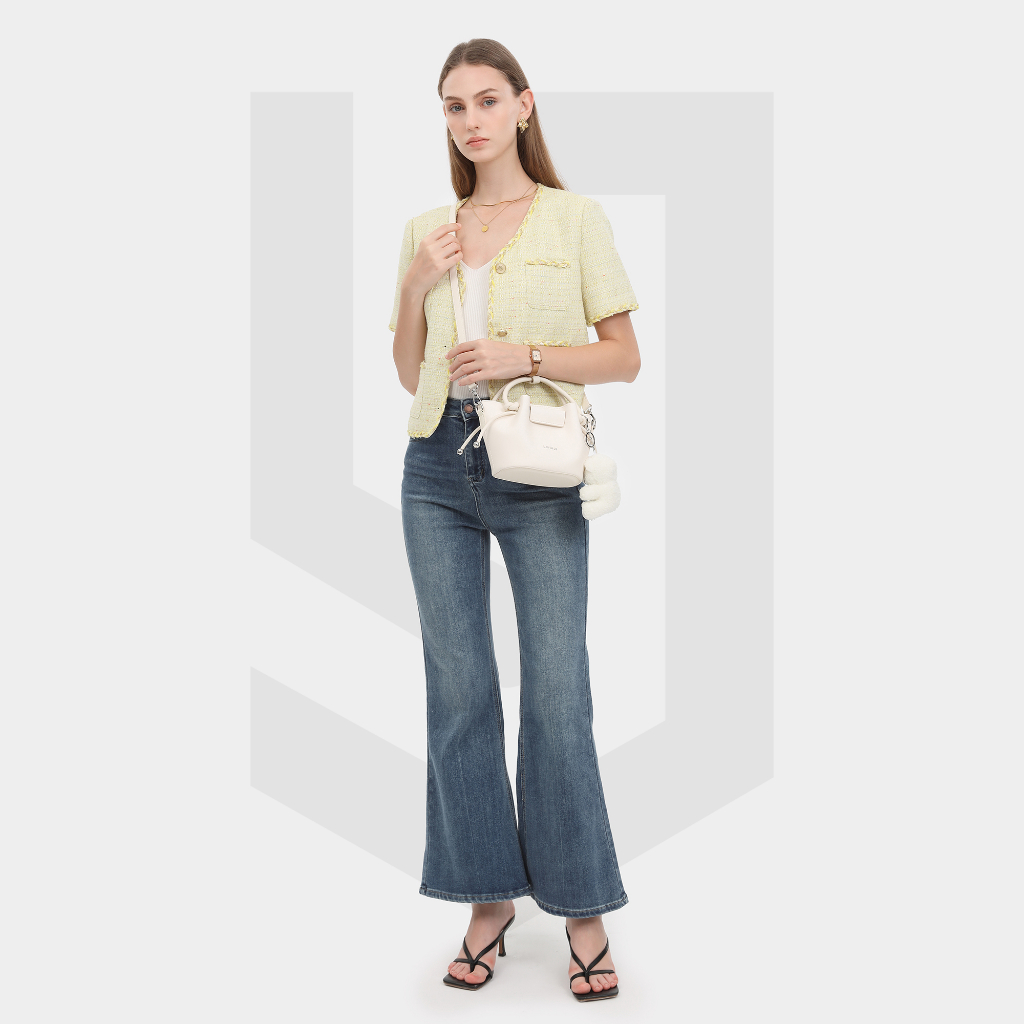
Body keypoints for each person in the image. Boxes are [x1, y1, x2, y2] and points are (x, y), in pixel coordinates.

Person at [389, 38, 641, 1002]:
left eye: (488, 100)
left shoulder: (575, 217)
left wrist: (521, 354)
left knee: (557, 694)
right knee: (458, 694)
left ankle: (581, 906)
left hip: (536, 463)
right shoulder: (427, 228)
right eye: (454, 106)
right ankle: (486, 897)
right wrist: (416, 283)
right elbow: (406, 371)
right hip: (435, 468)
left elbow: (623, 357)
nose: (472, 121)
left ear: (524, 106)